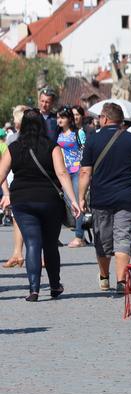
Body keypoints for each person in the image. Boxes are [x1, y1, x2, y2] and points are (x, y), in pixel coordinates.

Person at [0, 109, 81, 301]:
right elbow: (62, 174)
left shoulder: (14, 147)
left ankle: (34, 289)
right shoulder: (52, 146)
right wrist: (73, 200)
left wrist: (7, 194)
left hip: (22, 201)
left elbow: (1, 174)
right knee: (50, 244)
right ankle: (54, 286)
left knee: (32, 243)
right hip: (49, 201)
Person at [78, 103, 131, 293]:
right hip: (126, 198)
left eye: (100, 117)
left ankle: (104, 277)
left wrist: (81, 197)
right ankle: (122, 282)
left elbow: (85, 172)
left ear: (105, 118)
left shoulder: (92, 140)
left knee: (103, 239)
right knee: (124, 238)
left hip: (101, 199)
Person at [2, 105, 29, 268]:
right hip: (15, 180)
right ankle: (17, 253)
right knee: (17, 217)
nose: (14, 122)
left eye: (15, 118)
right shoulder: (12, 138)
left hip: (22, 181)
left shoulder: (16, 139)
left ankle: (34, 254)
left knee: (24, 218)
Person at [56, 107, 87, 247]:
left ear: (69, 119)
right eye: (58, 117)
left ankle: (79, 236)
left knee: (78, 202)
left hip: (77, 171)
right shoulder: (57, 134)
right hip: (62, 171)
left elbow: (85, 151)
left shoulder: (78, 133)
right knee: (64, 202)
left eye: (62, 117)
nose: (59, 120)